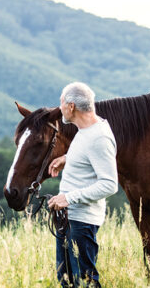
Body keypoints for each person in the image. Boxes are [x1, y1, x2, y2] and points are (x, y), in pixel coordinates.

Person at [47, 82, 118, 288]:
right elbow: (90, 155)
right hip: (70, 220)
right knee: (67, 282)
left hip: (82, 223)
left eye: (61, 103)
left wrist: (68, 198)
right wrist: (67, 158)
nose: (59, 108)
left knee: (85, 283)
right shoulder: (86, 131)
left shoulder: (99, 137)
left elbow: (109, 184)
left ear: (71, 107)